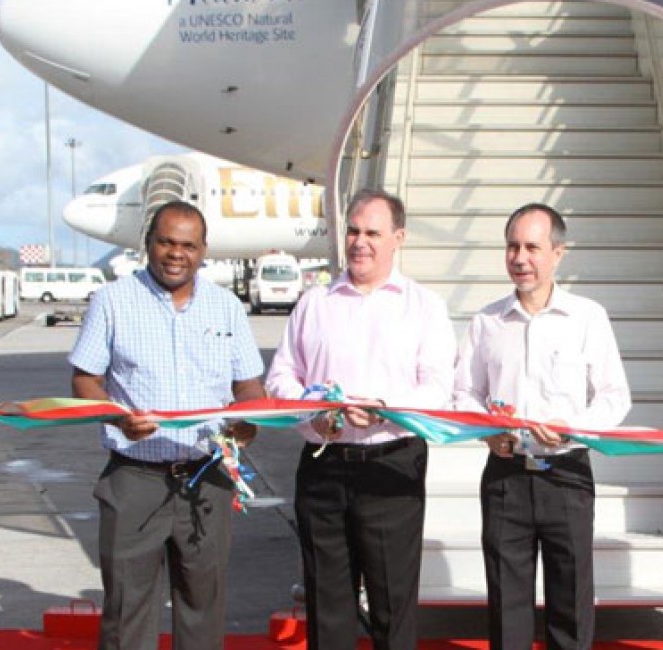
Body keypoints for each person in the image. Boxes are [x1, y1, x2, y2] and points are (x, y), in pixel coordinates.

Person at [69, 201, 267, 650]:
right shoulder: (112, 302)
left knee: (202, 607)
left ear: (203, 251)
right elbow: (84, 379)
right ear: (148, 243)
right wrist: (115, 415)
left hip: (206, 479)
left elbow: (250, 387)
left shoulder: (226, 308)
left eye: (187, 245)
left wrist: (246, 420)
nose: (176, 254)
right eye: (166, 242)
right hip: (135, 478)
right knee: (127, 610)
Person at [266, 188, 457, 650]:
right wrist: (317, 413)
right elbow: (280, 378)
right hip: (323, 463)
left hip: (391, 465)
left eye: (372, 232)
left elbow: (437, 388)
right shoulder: (316, 303)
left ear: (398, 238)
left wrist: (382, 406)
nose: (360, 242)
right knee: (327, 604)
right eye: (353, 231)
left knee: (393, 605)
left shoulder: (424, 306)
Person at [452, 203, 630, 650]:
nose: (520, 257)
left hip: (566, 475)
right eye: (512, 246)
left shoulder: (587, 317)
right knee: (507, 606)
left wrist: (574, 427)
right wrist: (488, 430)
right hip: (506, 476)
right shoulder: (487, 321)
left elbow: (614, 397)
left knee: (570, 606)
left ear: (557, 253)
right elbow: (463, 393)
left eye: (532, 246)